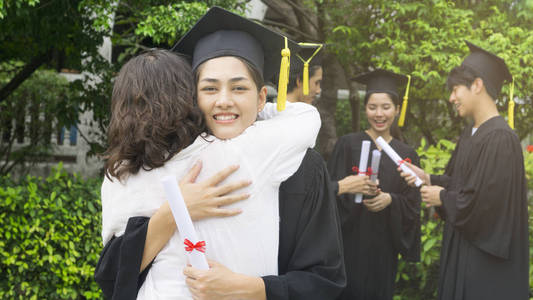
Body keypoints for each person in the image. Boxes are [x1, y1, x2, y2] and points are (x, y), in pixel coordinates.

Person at [95, 6, 345, 300]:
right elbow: (112, 275)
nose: (224, 101)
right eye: (210, 89)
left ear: (262, 96)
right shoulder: (166, 160)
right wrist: (174, 212)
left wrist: (251, 289)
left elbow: (326, 280)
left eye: (239, 88)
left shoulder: (301, 165)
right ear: (193, 96)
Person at [400, 41, 529, 300]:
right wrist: (428, 178)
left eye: (455, 89)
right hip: (463, 251)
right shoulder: (472, 134)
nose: (451, 98)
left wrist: (442, 197)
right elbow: (461, 183)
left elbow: (488, 206)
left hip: (485, 267)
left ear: (477, 85)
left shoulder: (501, 139)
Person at [328, 69, 421, 300]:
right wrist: (350, 187)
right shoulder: (347, 145)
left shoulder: (406, 155)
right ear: (365, 108)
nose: (379, 114)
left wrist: (391, 200)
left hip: (384, 250)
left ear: (397, 109)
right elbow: (329, 194)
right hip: (349, 248)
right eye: (372, 107)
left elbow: (413, 204)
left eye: (386, 107)